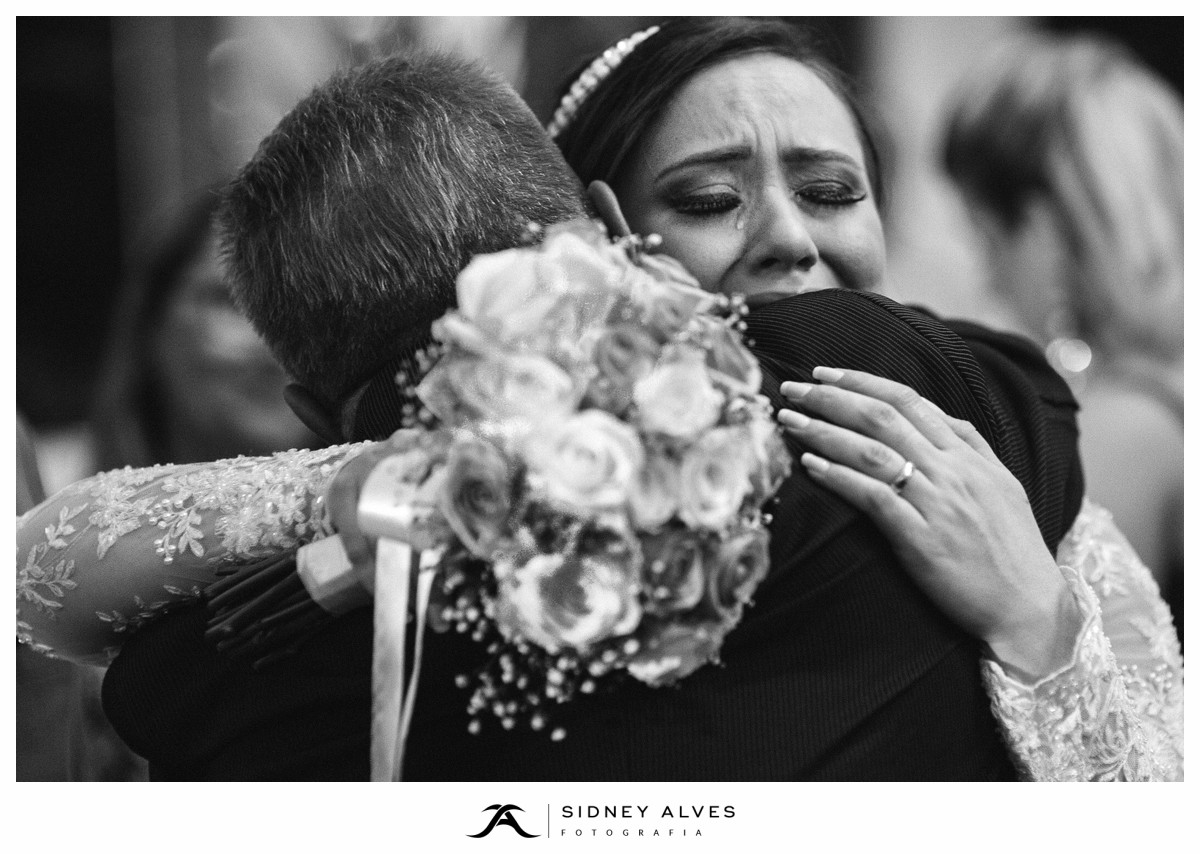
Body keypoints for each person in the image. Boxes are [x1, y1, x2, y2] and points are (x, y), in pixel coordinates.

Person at [14, 44, 1173, 779]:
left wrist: (1042, 626)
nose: (789, 236)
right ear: (610, 236)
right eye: (712, 196)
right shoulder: (986, 392)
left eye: (833, 188)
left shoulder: (980, 458)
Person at [941, 32, 1184, 640]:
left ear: (1045, 231)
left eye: (987, 237)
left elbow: (1064, 666)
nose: (988, 278)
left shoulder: (1128, 423)